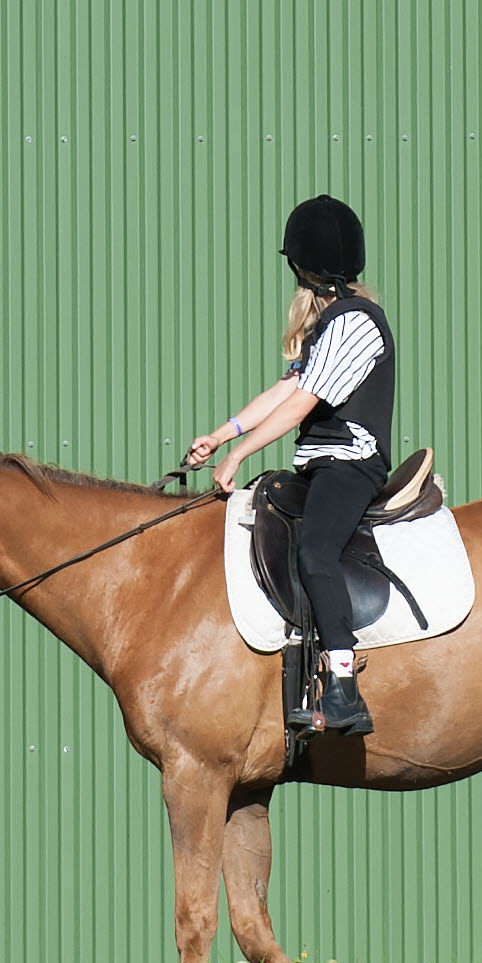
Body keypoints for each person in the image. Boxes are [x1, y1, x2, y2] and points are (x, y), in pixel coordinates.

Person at [182, 195, 395, 737]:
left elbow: (301, 405)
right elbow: (287, 387)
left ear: (303, 268)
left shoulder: (356, 323)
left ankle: (345, 691)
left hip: (351, 463)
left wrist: (239, 453)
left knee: (316, 552)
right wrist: (221, 433)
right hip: (318, 466)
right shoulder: (330, 324)